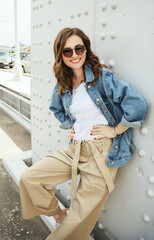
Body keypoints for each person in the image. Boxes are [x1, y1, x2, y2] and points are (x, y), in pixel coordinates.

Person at [19, 27, 149, 240]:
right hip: (75, 149)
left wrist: (116, 130)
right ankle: (57, 213)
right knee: (30, 178)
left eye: (79, 48)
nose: (74, 54)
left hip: (101, 154)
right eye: (67, 51)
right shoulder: (63, 84)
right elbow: (56, 109)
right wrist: (70, 125)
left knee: (72, 228)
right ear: (60, 55)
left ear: (86, 49)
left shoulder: (103, 77)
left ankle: (65, 223)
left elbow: (138, 104)